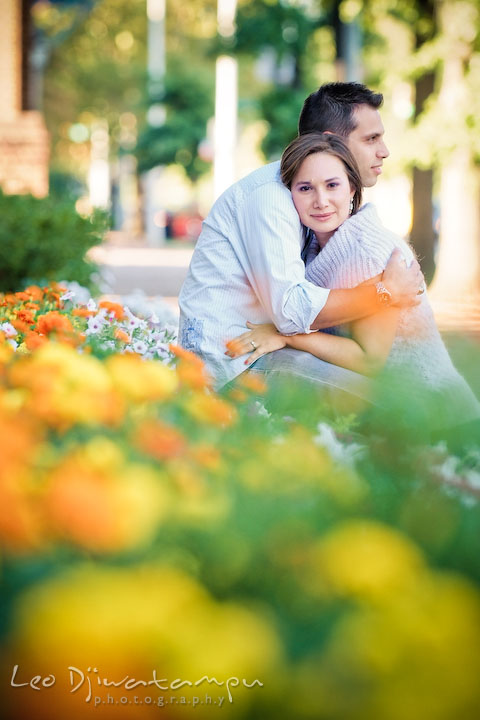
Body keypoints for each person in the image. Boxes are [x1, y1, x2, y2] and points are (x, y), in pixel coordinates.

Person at [178, 83, 424, 396]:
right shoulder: (272, 199)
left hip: (268, 350)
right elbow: (291, 311)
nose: (384, 150)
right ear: (332, 143)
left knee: (386, 401)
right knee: (382, 404)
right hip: (231, 366)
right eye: (371, 138)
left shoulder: (340, 224)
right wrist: (386, 292)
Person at [227, 133, 480, 426]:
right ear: (289, 195)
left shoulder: (366, 252)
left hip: (437, 413)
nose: (321, 201)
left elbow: (369, 360)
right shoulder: (312, 249)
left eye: (332, 185)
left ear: (352, 188)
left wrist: (286, 335)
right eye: (305, 188)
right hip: (388, 402)